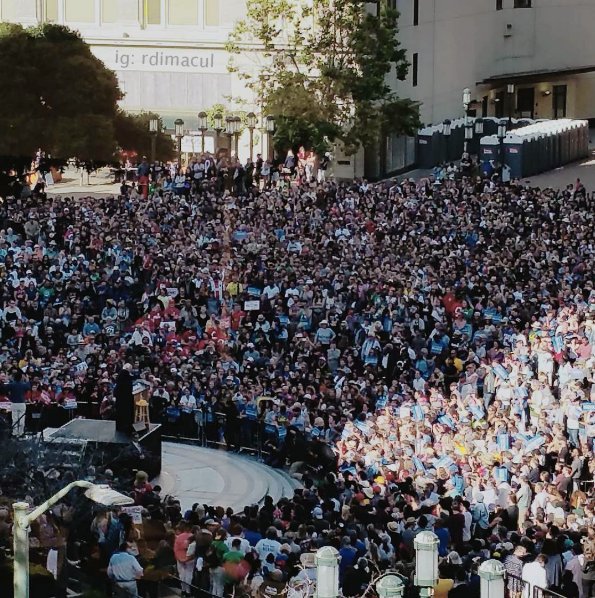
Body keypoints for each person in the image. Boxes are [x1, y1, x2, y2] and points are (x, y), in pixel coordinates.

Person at [0, 370, 31, 437]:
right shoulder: (23, 385)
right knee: (22, 420)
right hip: (22, 404)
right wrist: (27, 380)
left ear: (14, 378)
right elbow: (28, 387)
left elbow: (4, 390)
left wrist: (10, 397)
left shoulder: (11, 385)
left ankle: (15, 433)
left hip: (14, 403)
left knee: (15, 419)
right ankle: (21, 433)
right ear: (21, 378)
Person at [114, 363, 134, 435]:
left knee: (120, 415)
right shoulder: (125, 375)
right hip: (125, 399)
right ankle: (126, 429)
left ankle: (120, 428)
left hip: (120, 399)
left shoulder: (121, 376)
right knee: (126, 416)